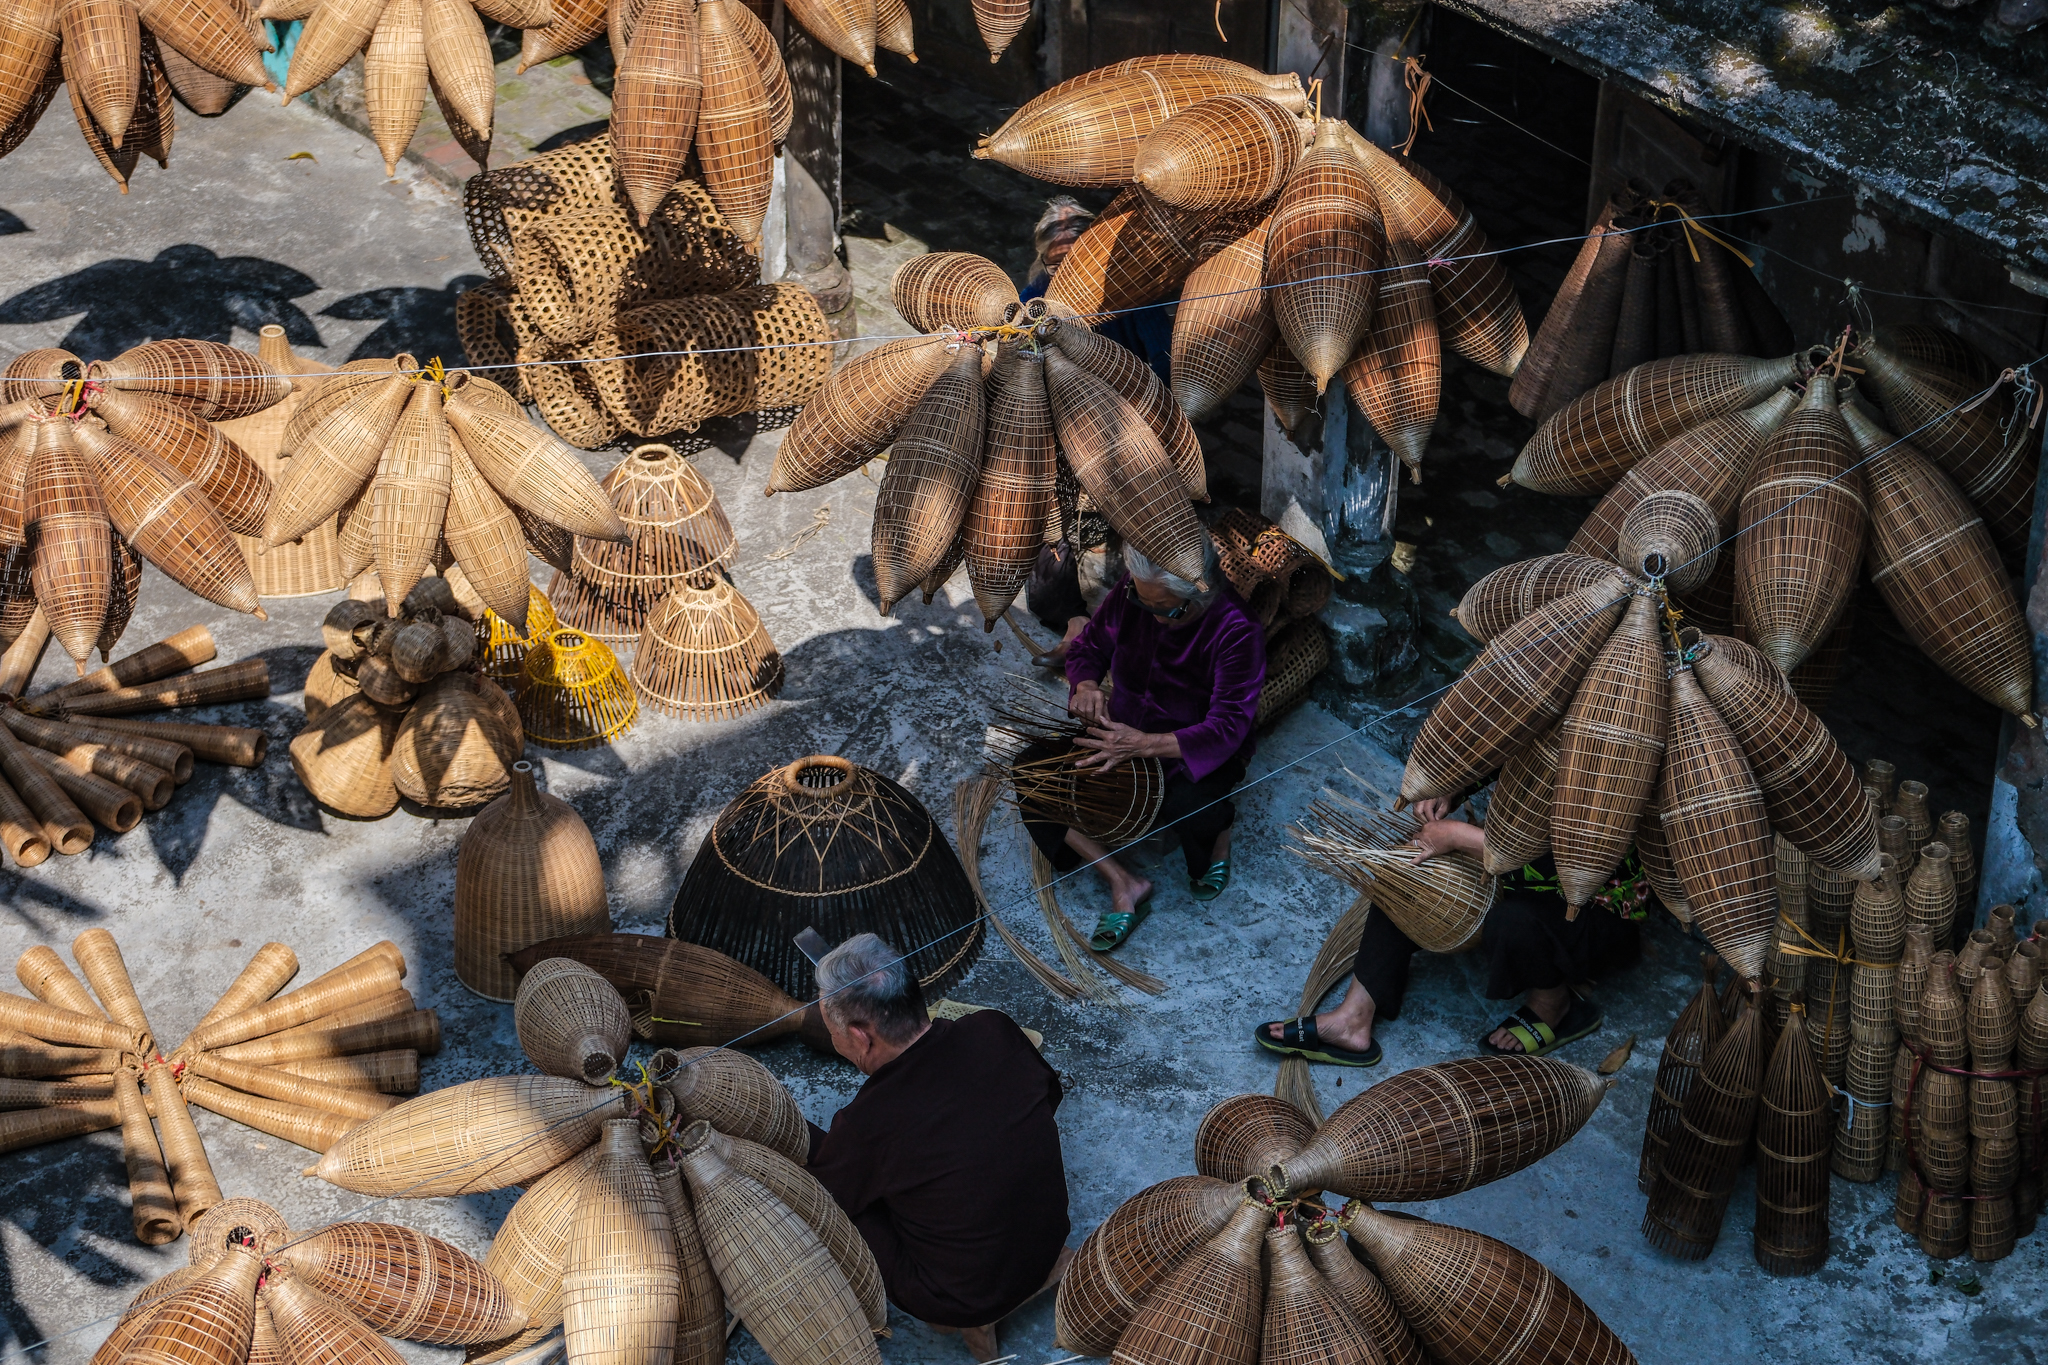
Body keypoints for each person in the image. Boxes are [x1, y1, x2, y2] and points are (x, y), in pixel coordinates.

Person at [807, 934, 1071, 1362]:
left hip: (963, 1297)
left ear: (860, 1036)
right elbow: (1050, 1097)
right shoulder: (994, 1028)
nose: (833, 1040)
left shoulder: (866, 1122)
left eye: (832, 1030)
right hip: (1049, 1234)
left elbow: (827, 1196)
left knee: (831, 1202)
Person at [1256, 797, 1645, 1065]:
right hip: (1518, 870)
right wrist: (1451, 789)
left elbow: (1576, 859)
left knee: (1513, 923)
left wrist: (1459, 836)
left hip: (1590, 906)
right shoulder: (1539, 714)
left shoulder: (1614, 750)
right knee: (1410, 871)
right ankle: (1354, 1017)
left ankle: (1553, 1002)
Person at [1019, 535, 1265, 949]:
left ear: (1200, 593)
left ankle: (1220, 832)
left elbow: (1227, 727)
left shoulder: (1237, 629)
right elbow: (1089, 646)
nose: (1151, 615)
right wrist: (1085, 686)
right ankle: (1123, 881)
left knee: (1193, 810)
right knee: (1032, 773)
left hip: (1188, 749)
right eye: (1142, 600)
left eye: (1166, 608)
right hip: (1122, 728)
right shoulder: (1136, 592)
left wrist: (1143, 745)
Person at [1018, 195, 1174, 383]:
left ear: (1096, 255)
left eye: (1076, 262)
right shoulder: (1032, 299)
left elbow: (1164, 355)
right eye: (1056, 266)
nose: (1065, 274)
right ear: (1044, 261)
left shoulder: (1131, 289)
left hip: (1127, 387)